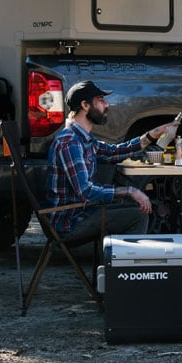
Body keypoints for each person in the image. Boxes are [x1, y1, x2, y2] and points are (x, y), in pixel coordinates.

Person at [46, 80, 172, 243]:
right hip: (70, 223)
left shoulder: (83, 138)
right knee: (137, 216)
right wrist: (130, 191)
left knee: (132, 208)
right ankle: (122, 267)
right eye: (101, 100)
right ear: (85, 105)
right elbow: (85, 191)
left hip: (83, 212)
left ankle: (113, 262)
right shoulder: (70, 142)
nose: (107, 105)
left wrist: (151, 135)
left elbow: (114, 152)